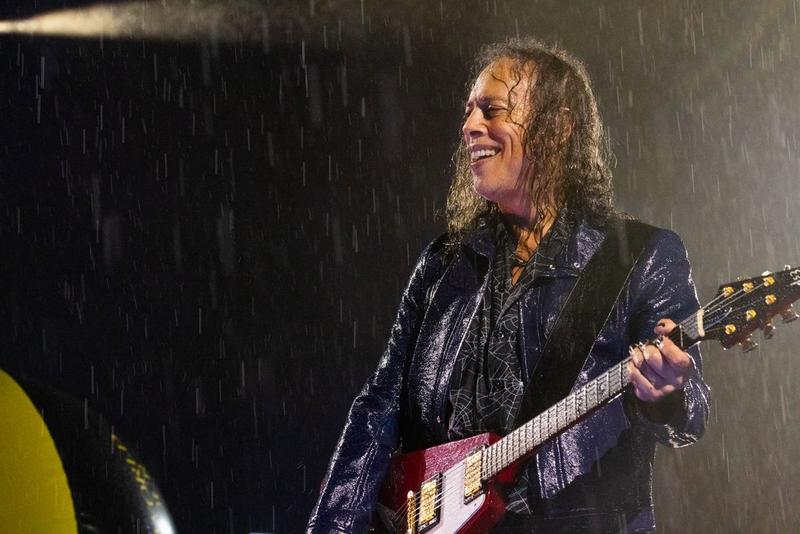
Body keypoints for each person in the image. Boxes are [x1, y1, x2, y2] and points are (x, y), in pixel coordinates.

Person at [307, 38, 710, 534]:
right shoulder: (443, 264)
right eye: (469, 111)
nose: (470, 126)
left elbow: (691, 413)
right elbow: (380, 405)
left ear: (557, 127)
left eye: (492, 110)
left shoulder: (639, 257)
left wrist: (666, 395)